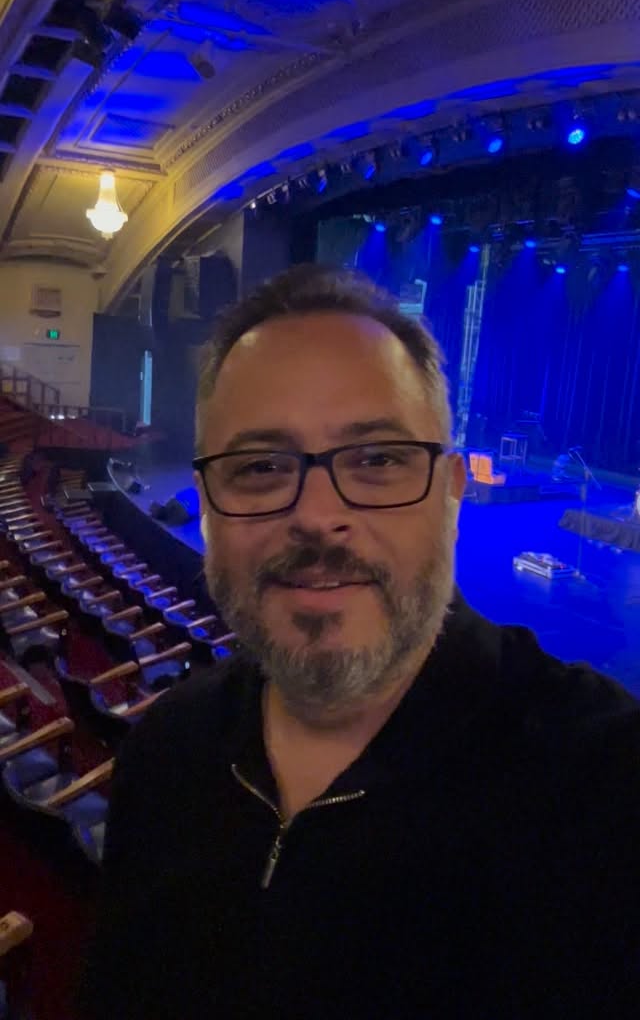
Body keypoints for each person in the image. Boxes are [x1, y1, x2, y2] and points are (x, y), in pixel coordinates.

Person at [80, 265, 640, 1020]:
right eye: (261, 467)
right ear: (207, 504)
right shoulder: (164, 753)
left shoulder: (606, 786)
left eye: (377, 460)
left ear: (451, 495)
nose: (318, 517)